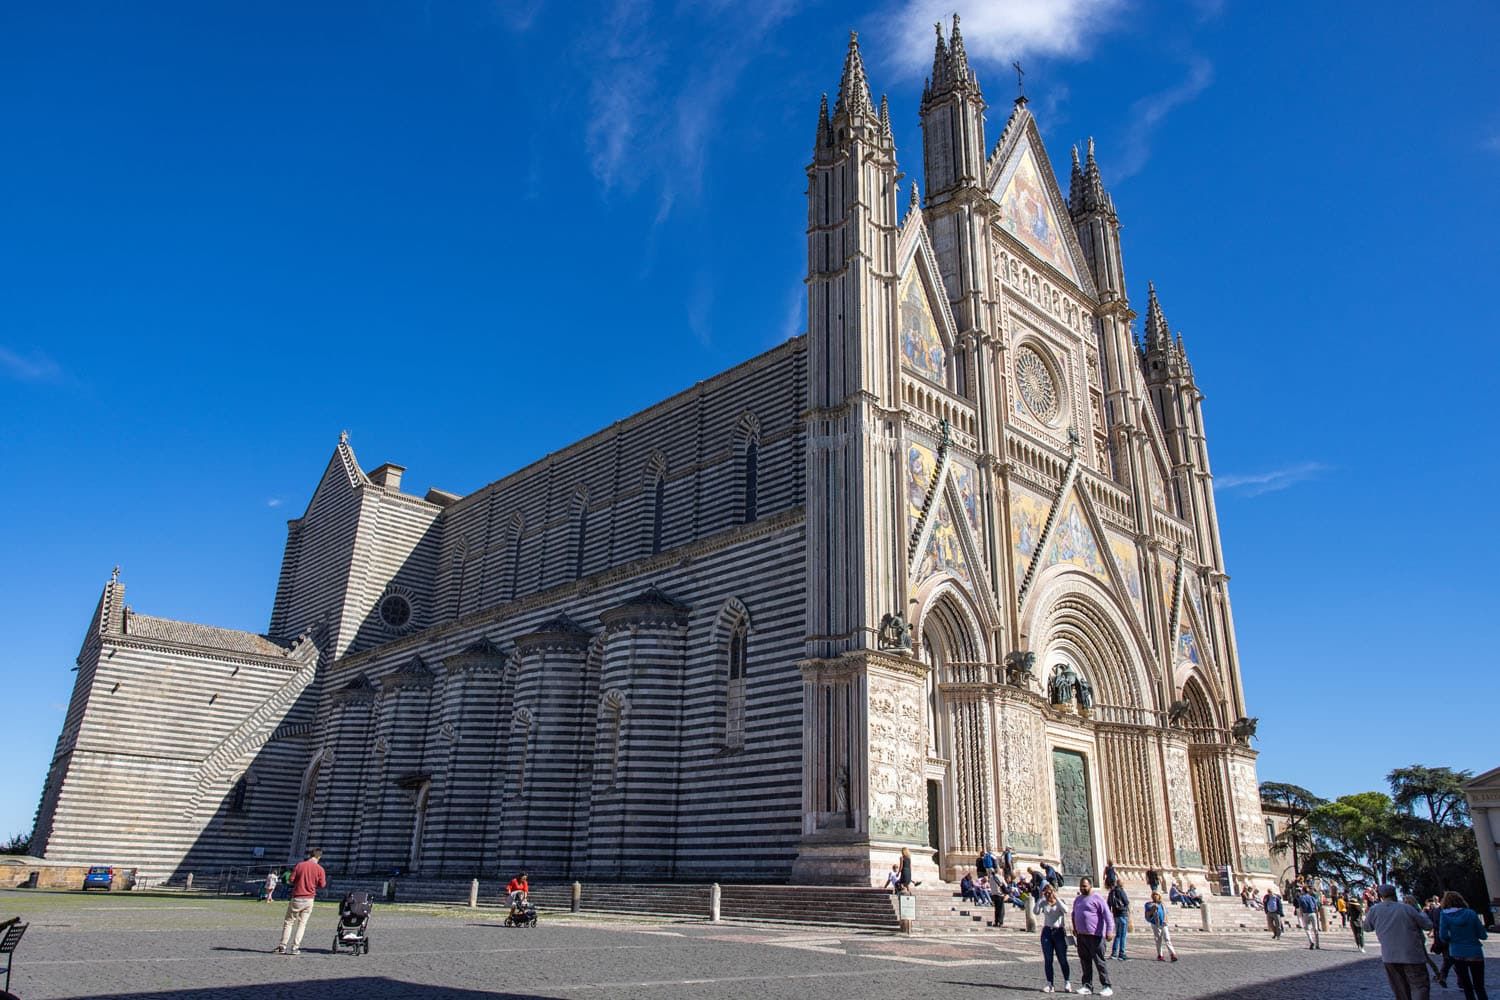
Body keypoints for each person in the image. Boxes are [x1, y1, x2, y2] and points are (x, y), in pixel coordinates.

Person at [1364, 884, 1433, 1000]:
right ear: (1395, 894)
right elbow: (1428, 925)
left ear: (1380, 896)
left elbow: (1367, 927)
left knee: (1400, 990)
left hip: (1390, 956)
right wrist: (1420, 911)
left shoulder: (1374, 910)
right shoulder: (1407, 908)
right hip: (1412, 955)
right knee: (1419, 987)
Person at [273, 847, 326, 955]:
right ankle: (295, 948)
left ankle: (282, 946)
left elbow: (291, 879)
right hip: (309, 899)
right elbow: (322, 884)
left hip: (297, 897)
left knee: (289, 922)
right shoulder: (320, 869)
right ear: (319, 856)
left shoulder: (300, 865)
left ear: (310, 855)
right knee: (302, 924)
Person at [1438, 890, 1488, 1000]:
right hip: (1474, 951)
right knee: (1479, 986)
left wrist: (1452, 939)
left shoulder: (1444, 915)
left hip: (1457, 952)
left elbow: (1443, 935)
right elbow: (1483, 935)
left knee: (1466, 986)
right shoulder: (1471, 913)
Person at [1071, 877, 1115, 996]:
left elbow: (1107, 915)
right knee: (1085, 962)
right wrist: (1075, 927)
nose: (1082, 888)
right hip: (1081, 935)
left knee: (1099, 962)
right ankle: (1087, 985)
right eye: (1081, 886)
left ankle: (1106, 985)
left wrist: (1110, 931)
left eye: (1084, 886)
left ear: (1090, 886)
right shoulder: (1078, 899)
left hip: (1095, 935)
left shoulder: (1097, 898)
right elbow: (1074, 913)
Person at [1033, 882, 1073, 994]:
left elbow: (1065, 910)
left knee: (1062, 959)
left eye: (1050, 891)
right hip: (1047, 931)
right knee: (1048, 959)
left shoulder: (1060, 902)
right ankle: (1050, 984)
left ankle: (1067, 982)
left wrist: (1056, 898)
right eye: (1046, 892)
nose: (1048, 894)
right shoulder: (1044, 902)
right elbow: (1036, 912)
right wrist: (1040, 899)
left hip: (1059, 931)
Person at [1145, 891, 1179, 962]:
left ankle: (1172, 954)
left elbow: (1166, 913)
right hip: (1155, 924)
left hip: (1163, 923)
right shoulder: (1149, 904)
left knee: (1167, 939)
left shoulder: (1162, 904)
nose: (1155, 896)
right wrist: (1153, 909)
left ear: (1159, 896)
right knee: (1158, 940)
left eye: (1156, 894)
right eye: (1153, 895)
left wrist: (1166, 920)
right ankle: (1160, 955)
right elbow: (1148, 914)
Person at [1107, 880, 1130, 961]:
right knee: (1123, 935)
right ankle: (1122, 953)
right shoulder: (1121, 891)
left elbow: (1108, 904)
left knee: (1118, 935)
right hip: (1123, 914)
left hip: (1115, 915)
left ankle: (1114, 953)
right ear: (1121, 884)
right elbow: (1126, 902)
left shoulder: (1111, 892)